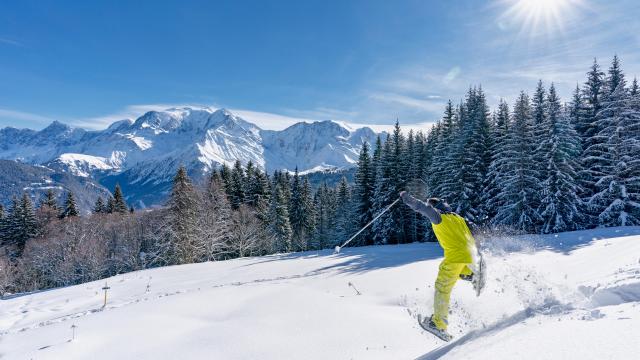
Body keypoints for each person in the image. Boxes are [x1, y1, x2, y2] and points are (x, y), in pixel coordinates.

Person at [399, 191, 484, 341]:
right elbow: (475, 231)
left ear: (436, 207)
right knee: (459, 272)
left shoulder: (439, 217)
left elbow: (421, 207)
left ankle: (438, 324)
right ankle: (471, 275)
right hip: (469, 256)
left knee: (442, 288)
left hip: (454, 258)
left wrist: (406, 198)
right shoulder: (458, 218)